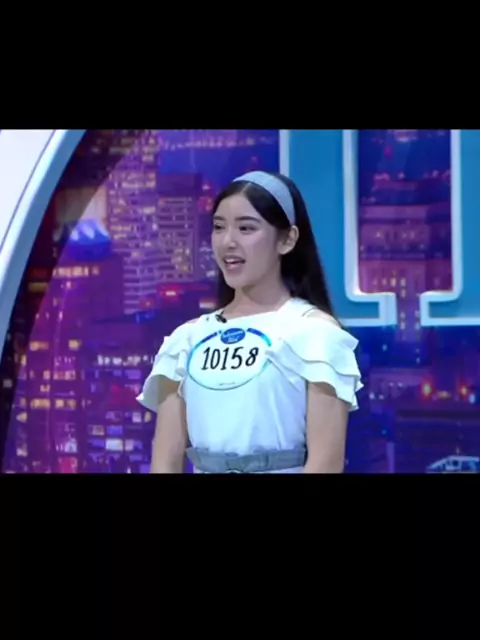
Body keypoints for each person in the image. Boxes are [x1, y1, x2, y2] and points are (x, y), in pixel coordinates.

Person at [137, 170, 363, 473]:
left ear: (287, 239)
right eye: (219, 227)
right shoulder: (186, 340)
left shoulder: (316, 336)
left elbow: (325, 463)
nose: (228, 242)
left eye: (246, 228)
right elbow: (165, 462)